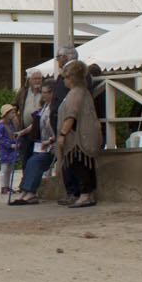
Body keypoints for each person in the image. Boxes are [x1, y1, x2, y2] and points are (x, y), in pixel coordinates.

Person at [56, 59, 102, 208]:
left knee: (80, 165)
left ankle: (85, 195)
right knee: (83, 166)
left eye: (66, 77)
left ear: (72, 78)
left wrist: (62, 134)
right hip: (81, 136)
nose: (64, 81)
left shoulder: (76, 93)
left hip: (78, 139)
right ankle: (87, 194)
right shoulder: (83, 92)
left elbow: (71, 115)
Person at [9, 86, 56, 204]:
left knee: (36, 161)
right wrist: (22, 132)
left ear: (52, 93)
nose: (43, 95)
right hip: (43, 145)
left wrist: (49, 141)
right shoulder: (45, 107)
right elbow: (35, 124)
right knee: (30, 161)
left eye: (46, 93)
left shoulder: (55, 109)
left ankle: (31, 192)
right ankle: (25, 191)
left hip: (52, 146)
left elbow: (59, 129)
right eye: (43, 93)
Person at [0, 104, 21, 195]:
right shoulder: (1, 125)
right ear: (6, 114)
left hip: (11, 150)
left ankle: (8, 186)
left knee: (10, 168)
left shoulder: (11, 124)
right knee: (4, 168)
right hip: (5, 150)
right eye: (12, 113)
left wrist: (17, 143)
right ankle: (3, 186)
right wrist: (9, 145)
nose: (14, 115)